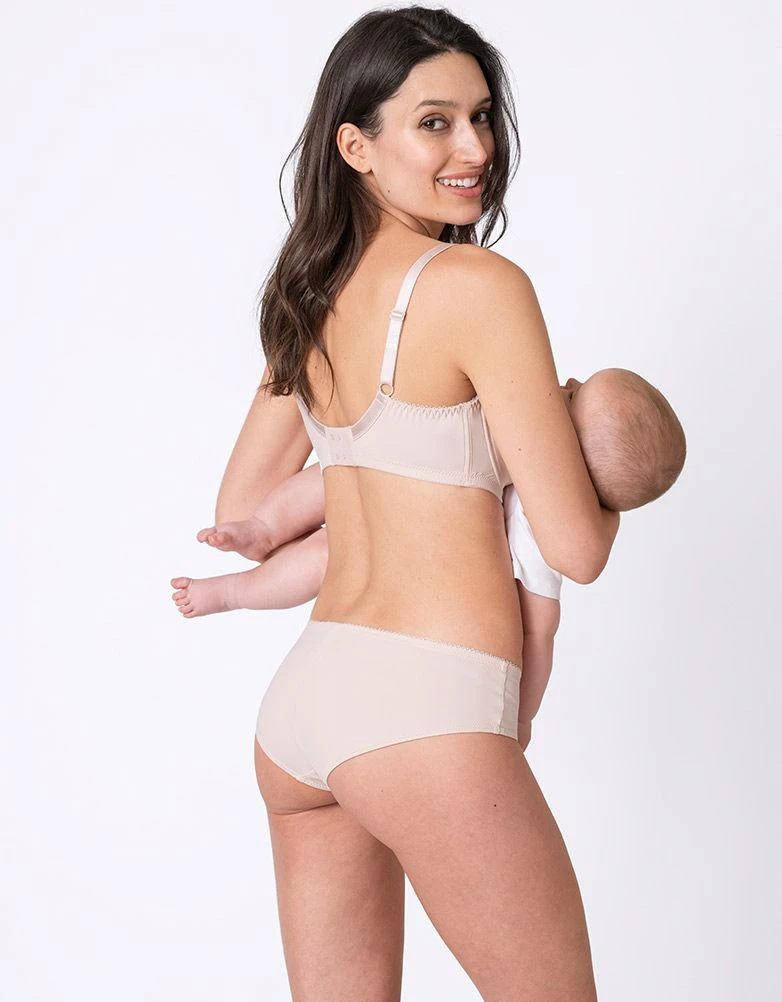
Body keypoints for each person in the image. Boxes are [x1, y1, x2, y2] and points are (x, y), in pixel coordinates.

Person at [183, 7, 640, 998]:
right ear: (355, 145)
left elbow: (245, 502)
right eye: (434, 122)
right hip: (424, 705)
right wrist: (592, 472)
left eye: (480, 117)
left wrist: (380, 483)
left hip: (305, 707)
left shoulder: (312, 296)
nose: (473, 148)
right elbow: (575, 546)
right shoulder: (478, 285)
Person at [170, 368, 686, 755]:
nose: (565, 382)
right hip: (404, 627)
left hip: (363, 635)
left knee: (330, 536)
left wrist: (524, 715)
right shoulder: (508, 431)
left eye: (571, 397)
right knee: (342, 479)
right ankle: (258, 538)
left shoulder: (538, 522)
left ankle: (233, 589)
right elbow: (558, 603)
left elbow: (544, 622)